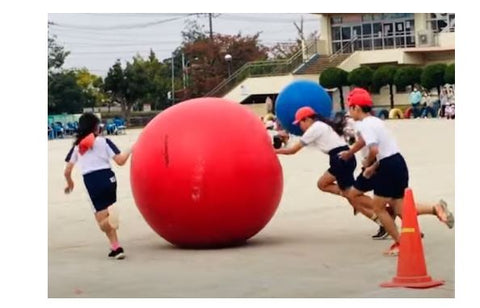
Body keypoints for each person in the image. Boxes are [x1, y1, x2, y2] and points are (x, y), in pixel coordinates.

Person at [345, 88, 455, 255]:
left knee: (378, 207)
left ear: (357, 108)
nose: (349, 111)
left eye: (350, 107)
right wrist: (371, 166)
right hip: (397, 162)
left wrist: (368, 164)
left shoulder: (365, 124)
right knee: (399, 208)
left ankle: (401, 243)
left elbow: (374, 150)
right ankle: (435, 208)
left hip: (388, 166)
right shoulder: (376, 121)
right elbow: (383, 148)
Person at [274, 106, 382, 228]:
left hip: (340, 159)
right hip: (342, 159)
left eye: (300, 123)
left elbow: (293, 150)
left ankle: (382, 211)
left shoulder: (315, 128)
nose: (300, 126)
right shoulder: (322, 125)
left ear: (307, 119)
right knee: (323, 184)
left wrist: (274, 151)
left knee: (352, 196)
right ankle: (369, 209)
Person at [64, 112, 133, 260]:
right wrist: (131, 149)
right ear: (96, 127)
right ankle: (116, 247)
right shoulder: (104, 141)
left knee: (102, 223)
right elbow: (120, 161)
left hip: (93, 181)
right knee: (107, 212)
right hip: (109, 179)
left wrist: (70, 183)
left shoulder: (77, 147)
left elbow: (67, 170)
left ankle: (111, 221)